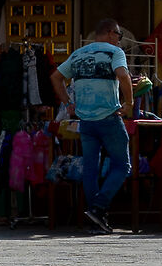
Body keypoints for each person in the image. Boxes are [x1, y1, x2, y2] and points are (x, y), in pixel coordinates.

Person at [52, 19, 134, 234]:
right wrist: (130, 103)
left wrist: (69, 104)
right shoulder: (114, 53)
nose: (119, 39)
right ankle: (98, 209)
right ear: (109, 33)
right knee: (122, 165)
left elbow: (56, 77)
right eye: (118, 35)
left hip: (85, 120)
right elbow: (123, 75)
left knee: (90, 168)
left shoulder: (78, 54)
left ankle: (94, 218)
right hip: (108, 117)